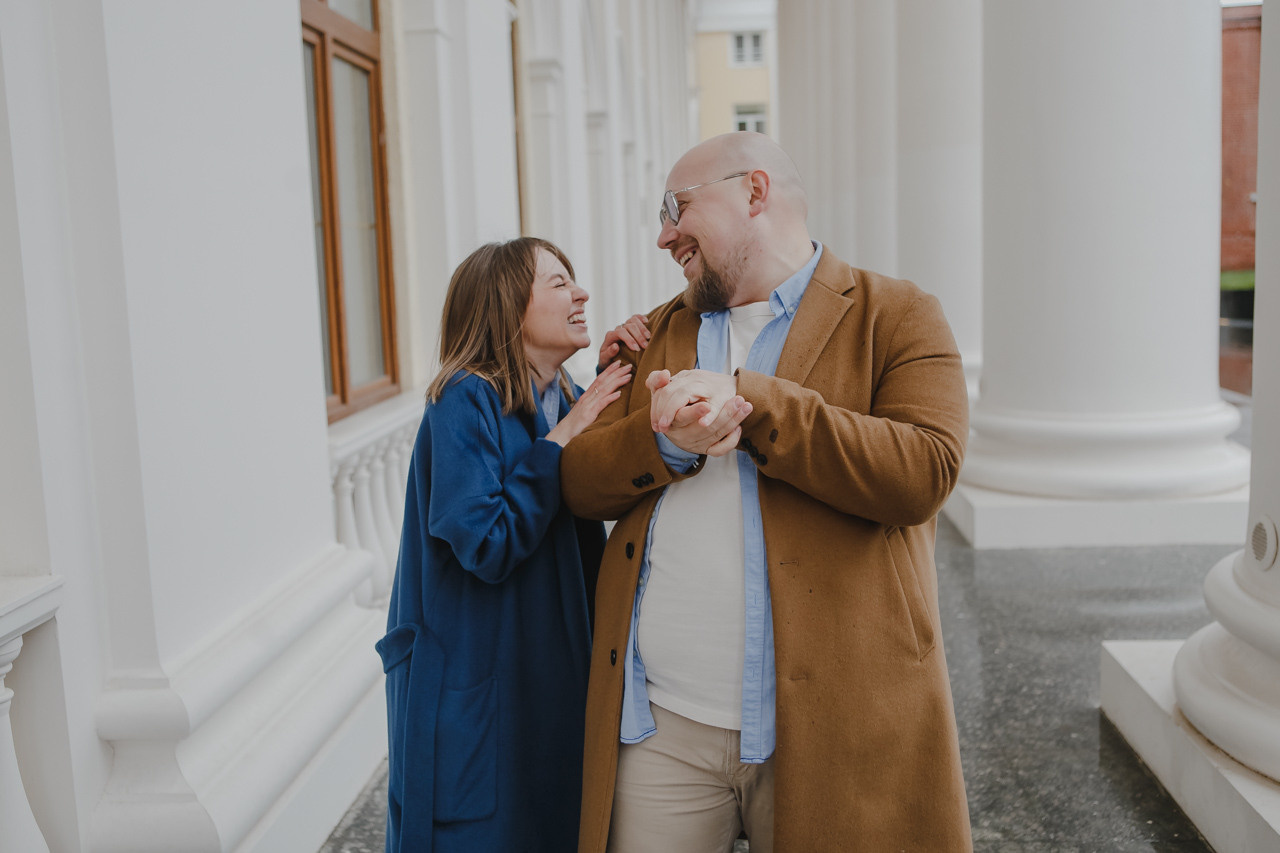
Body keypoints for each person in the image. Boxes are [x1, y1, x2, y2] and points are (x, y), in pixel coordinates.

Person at [560, 132, 973, 852]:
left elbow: (924, 471)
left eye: (676, 208)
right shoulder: (653, 332)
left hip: (834, 731)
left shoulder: (899, 313)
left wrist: (753, 402)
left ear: (755, 192)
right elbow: (578, 480)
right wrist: (662, 443)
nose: (663, 235)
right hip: (661, 730)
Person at [377, 237, 634, 853]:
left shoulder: (562, 397)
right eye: (558, 283)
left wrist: (607, 382)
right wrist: (568, 434)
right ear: (507, 307)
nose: (581, 293)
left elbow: (581, 484)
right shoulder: (464, 398)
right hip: (478, 681)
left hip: (542, 676)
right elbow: (487, 541)